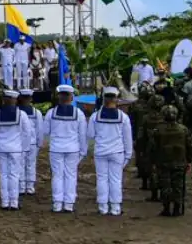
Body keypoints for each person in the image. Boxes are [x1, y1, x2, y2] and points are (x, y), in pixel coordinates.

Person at [41, 85, 86, 213]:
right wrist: (83, 151)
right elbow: (82, 134)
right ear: (71, 98)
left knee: (57, 176)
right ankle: (68, 204)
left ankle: (57, 203)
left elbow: (45, 131)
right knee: (71, 175)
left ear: (59, 97)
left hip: (56, 148)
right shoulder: (79, 113)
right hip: (72, 149)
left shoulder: (51, 113)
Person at [89, 86, 134, 216]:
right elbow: (127, 138)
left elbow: (91, 134)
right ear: (116, 99)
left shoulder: (95, 116)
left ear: (103, 99)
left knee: (102, 179)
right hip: (117, 152)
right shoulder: (123, 117)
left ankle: (103, 207)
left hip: (101, 152)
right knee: (115, 179)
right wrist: (128, 154)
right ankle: (115, 208)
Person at [0, 90, 32, 210]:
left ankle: (4, 202)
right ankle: (14, 202)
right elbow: (27, 133)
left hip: (2, 148)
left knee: (3, 175)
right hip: (16, 149)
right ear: (15, 100)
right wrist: (24, 147)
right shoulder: (21, 115)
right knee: (14, 175)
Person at [152, 105, 192, 217]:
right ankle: (177, 208)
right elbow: (189, 146)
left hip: (163, 162)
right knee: (178, 185)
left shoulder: (158, 129)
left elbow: (153, 147)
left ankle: (166, 208)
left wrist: (153, 161)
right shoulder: (183, 129)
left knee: (165, 185)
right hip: (180, 162)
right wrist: (189, 160)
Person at [17, 89, 41, 196]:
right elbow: (40, 129)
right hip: (31, 143)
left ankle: (21, 187)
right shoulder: (36, 112)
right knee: (30, 164)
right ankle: (29, 187)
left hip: (19, 143)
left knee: (20, 164)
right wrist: (39, 143)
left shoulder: (16, 111)